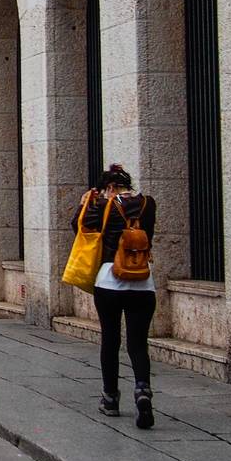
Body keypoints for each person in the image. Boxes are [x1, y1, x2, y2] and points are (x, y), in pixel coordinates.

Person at [71, 163, 158, 429]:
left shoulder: (102, 206)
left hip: (109, 279)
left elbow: (79, 228)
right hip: (143, 282)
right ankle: (142, 389)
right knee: (138, 342)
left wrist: (86, 203)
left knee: (110, 340)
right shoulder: (148, 204)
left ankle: (110, 398)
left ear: (108, 187)